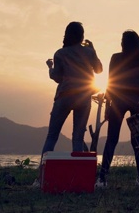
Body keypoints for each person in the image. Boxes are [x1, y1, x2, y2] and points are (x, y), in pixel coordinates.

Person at [96, 30, 139, 188]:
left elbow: (111, 82)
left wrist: (108, 105)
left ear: (124, 43)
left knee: (112, 139)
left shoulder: (116, 58)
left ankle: (102, 178)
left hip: (119, 101)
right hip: (138, 103)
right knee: (137, 141)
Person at [42, 22, 103, 155]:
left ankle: (43, 171)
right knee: (78, 137)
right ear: (82, 36)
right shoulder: (89, 52)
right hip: (83, 97)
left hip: (65, 95)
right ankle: (77, 173)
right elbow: (99, 70)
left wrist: (50, 67)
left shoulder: (60, 53)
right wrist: (93, 50)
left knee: (52, 136)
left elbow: (57, 77)